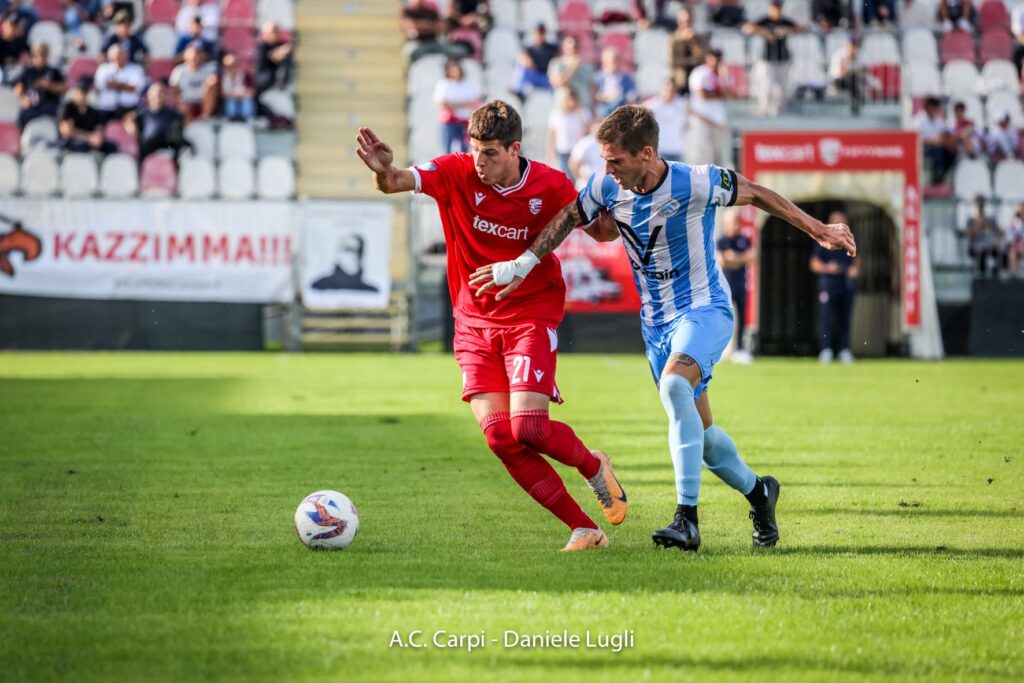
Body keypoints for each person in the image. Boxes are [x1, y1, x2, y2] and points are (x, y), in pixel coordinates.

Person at [470, 105, 857, 551]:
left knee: (676, 387)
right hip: (655, 326)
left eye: (615, 160)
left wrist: (818, 229)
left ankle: (686, 520)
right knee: (705, 438)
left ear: (647, 153)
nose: (607, 168)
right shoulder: (605, 187)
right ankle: (760, 492)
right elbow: (568, 219)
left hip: (704, 310)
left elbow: (756, 193)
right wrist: (522, 264)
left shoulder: (697, 181)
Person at [355, 101, 629, 552]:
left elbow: (601, 234)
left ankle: (592, 465)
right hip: (473, 322)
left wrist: (609, 214)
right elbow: (395, 182)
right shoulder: (455, 172)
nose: (479, 162)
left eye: (490, 154)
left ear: (514, 149)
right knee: (502, 437)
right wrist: (382, 171)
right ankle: (584, 530)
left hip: (530, 315)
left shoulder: (551, 184)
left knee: (531, 430)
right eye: (475, 151)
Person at [810, 211, 858, 364]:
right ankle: (826, 349)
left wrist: (854, 270)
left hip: (846, 282)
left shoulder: (850, 240)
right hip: (829, 283)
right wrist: (828, 268)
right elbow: (814, 263)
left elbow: (857, 259)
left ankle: (844, 349)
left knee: (845, 317)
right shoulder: (824, 240)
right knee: (827, 317)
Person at [744, 0, 803, 119]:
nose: (777, 10)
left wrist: (787, 32)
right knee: (766, 86)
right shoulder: (765, 21)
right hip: (767, 59)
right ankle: (764, 110)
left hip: (783, 59)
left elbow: (800, 28)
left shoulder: (785, 22)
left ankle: (778, 112)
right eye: (774, 7)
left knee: (781, 89)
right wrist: (765, 32)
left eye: (779, 8)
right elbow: (747, 28)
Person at [716, 209, 755, 363]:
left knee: (742, 318)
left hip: (740, 285)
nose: (735, 225)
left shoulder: (744, 240)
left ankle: (740, 349)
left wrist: (734, 258)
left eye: (737, 222)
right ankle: (721, 350)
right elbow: (722, 260)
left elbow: (752, 256)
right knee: (723, 318)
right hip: (725, 286)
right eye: (733, 222)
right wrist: (739, 259)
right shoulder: (721, 241)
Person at [686, 49, 731, 167]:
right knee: (702, 157)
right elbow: (702, 95)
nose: (716, 62)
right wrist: (719, 95)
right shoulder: (700, 73)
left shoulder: (722, 74)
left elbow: (728, 95)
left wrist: (724, 77)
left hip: (718, 121)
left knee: (720, 157)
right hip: (702, 120)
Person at [125, 81, 188, 160]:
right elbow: (129, 118)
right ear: (149, 96)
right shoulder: (143, 113)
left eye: (162, 92)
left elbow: (186, 122)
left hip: (169, 148)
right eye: (157, 93)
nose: (159, 95)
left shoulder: (173, 113)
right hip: (149, 149)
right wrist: (131, 125)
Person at [14, 43, 65, 129]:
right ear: (33, 54)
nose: (41, 55)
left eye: (44, 53)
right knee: (21, 116)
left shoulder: (53, 71)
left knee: (62, 114)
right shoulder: (28, 71)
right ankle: (22, 139)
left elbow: (64, 87)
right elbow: (18, 88)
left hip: (50, 104)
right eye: (38, 53)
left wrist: (50, 85)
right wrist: (23, 99)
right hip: (33, 105)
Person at [433, 58, 479, 154]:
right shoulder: (444, 84)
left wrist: (454, 104)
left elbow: (474, 102)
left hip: (465, 121)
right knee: (448, 149)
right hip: (450, 122)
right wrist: (464, 104)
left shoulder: (468, 83)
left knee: (465, 149)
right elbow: (443, 104)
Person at [57, 80, 117, 153]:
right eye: (79, 92)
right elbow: (66, 131)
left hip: (89, 141)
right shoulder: (67, 108)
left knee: (111, 146)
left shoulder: (92, 111)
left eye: (84, 92)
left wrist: (97, 138)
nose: (82, 95)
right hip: (71, 141)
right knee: (81, 145)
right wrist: (88, 137)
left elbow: (99, 129)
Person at [93, 44, 146, 122]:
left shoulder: (136, 69)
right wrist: (124, 85)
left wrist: (114, 84)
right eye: (117, 56)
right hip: (107, 108)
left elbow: (136, 87)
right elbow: (100, 85)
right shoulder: (103, 69)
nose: (120, 58)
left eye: (122, 54)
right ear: (110, 57)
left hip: (129, 108)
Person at [169, 43, 219, 122]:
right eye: (192, 53)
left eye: (198, 53)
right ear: (185, 56)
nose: (195, 56)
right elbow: (174, 91)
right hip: (186, 102)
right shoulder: (179, 71)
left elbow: (214, 81)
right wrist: (180, 103)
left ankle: (205, 117)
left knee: (211, 86)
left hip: (203, 102)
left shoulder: (209, 68)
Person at [913, 96, 957, 185]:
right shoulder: (918, 121)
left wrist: (944, 140)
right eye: (931, 106)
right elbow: (915, 139)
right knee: (936, 150)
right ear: (926, 107)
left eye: (934, 107)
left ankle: (940, 177)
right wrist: (931, 141)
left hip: (939, 146)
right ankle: (937, 175)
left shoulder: (938, 120)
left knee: (951, 153)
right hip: (924, 148)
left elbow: (946, 133)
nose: (933, 109)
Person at [546, 87, 589, 175]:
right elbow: (552, 135)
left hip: (578, 149)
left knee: (579, 175)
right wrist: (550, 153)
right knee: (567, 175)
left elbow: (587, 130)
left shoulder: (582, 112)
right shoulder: (556, 114)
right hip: (563, 150)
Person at [643, 78, 686, 162]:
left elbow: (698, 114)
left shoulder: (681, 103)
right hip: (660, 150)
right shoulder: (653, 105)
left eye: (672, 90)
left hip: (677, 150)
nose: (670, 93)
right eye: (667, 90)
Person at [548, 35, 594, 112]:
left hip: (583, 108)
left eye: (575, 47)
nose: (573, 50)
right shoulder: (556, 63)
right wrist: (573, 67)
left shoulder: (587, 67)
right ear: (564, 48)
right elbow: (558, 83)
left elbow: (592, 88)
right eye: (570, 47)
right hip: (563, 109)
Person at [513, 23, 557, 98]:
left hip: (548, 78)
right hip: (535, 75)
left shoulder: (552, 48)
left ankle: (556, 100)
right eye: (537, 33)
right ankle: (519, 94)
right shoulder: (529, 49)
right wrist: (526, 60)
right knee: (521, 69)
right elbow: (520, 56)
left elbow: (557, 62)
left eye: (541, 32)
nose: (539, 35)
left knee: (556, 82)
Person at [669, 6, 706, 95]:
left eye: (689, 21)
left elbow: (703, 59)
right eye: (683, 22)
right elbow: (672, 61)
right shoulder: (673, 39)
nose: (686, 24)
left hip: (697, 84)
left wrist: (692, 43)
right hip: (681, 82)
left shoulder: (698, 38)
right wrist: (691, 61)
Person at [965, 194, 1003, 277]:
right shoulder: (971, 220)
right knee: (982, 252)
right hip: (976, 247)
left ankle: (996, 273)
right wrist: (978, 225)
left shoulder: (990, 219)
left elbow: (1000, 233)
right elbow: (969, 236)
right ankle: (982, 276)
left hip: (989, 245)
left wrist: (997, 241)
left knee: (998, 252)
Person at [594, 47, 637, 118]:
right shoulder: (598, 78)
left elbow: (632, 94)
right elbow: (594, 95)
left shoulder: (625, 77)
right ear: (605, 62)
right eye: (613, 61)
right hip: (604, 107)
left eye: (617, 60)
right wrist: (605, 97)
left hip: (621, 105)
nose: (616, 64)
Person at [829, 35, 865, 115]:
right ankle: (855, 104)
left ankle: (856, 105)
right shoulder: (839, 54)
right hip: (838, 81)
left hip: (853, 81)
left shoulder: (859, 54)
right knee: (852, 79)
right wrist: (848, 60)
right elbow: (840, 75)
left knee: (855, 80)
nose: (854, 48)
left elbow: (862, 72)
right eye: (852, 45)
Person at [255, 21, 293, 94]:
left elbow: (289, 50)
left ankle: (282, 84)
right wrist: (281, 51)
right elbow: (273, 56)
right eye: (273, 31)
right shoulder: (262, 46)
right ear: (265, 33)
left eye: (277, 31)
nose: (276, 34)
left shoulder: (281, 43)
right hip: (264, 78)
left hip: (277, 76)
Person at [220, 51, 255, 121]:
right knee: (231, 101)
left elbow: (252, 91)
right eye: (228, 66)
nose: (231, 68)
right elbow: (222, 94)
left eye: (233, 65)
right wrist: (235, 94)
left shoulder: (245, 76)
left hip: (243, 100)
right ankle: (231, 118)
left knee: (247, 100)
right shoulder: (223, 77)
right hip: (230, 101)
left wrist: (241, 93)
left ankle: (248, 119)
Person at [0, 14, 28, 86]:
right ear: (3, 25)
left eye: (15, 25)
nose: (12, 28)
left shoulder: (22, 42)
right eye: (11, 25)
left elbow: (26, 59)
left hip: (16, 72)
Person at [1007, 203, 1024, 277]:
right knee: (1013, 254)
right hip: (1017, 247)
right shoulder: (1014, 223)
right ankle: (1015, 277)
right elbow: (1011, 237)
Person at [1013, 2, 1024, 76]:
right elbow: (1018, 33)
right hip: (1022, 43)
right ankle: (1018, 78)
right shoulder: (1019, 10)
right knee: (1016, 54)